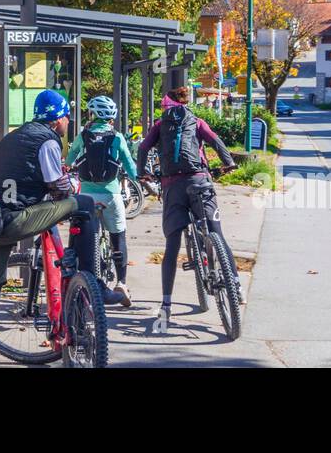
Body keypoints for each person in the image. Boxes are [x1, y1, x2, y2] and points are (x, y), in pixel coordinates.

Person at [0, 89, 99, 368]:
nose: (67, 123)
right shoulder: (47, 141)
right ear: (57, 119)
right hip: (17, 220)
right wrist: (74, 184)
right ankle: (91, 282)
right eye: (66, 117)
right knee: (83, 203)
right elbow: (59, 187)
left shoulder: (12, 137)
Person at [137, 86, 236, 332]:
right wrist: (229, 163)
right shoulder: (197, 121)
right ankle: (235, 285)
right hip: (200, 180)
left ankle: (167, 304)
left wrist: (143, 174)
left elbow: (142, 149)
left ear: (167, 104)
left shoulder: (160, 125)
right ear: (187, 102)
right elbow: (215, 141)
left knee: (172, 246)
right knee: (217, 234)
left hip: (173, 187)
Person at [65, 95, 137, 307]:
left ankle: (77, 282)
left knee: (80, 236)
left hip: (86, 196)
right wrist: (140, 178)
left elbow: (70, 160)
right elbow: (130, 167)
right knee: (118, 236)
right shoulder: (117, 137)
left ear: (92, 114)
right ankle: (121, 283)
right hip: (111, 195)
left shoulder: (83, 135)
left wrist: (68, 165)